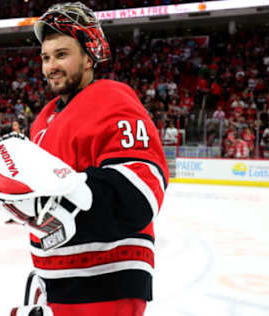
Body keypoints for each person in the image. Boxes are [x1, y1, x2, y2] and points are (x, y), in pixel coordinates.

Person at [11, 3, 169, 315]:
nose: (50, 66)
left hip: (105, 284)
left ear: (88, 57)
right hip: (57, 283)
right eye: (45, 57)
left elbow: (140, 193)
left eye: (62, 54)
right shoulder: (43, 118)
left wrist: (57, 201)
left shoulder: (112, 99)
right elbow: (44, 202)